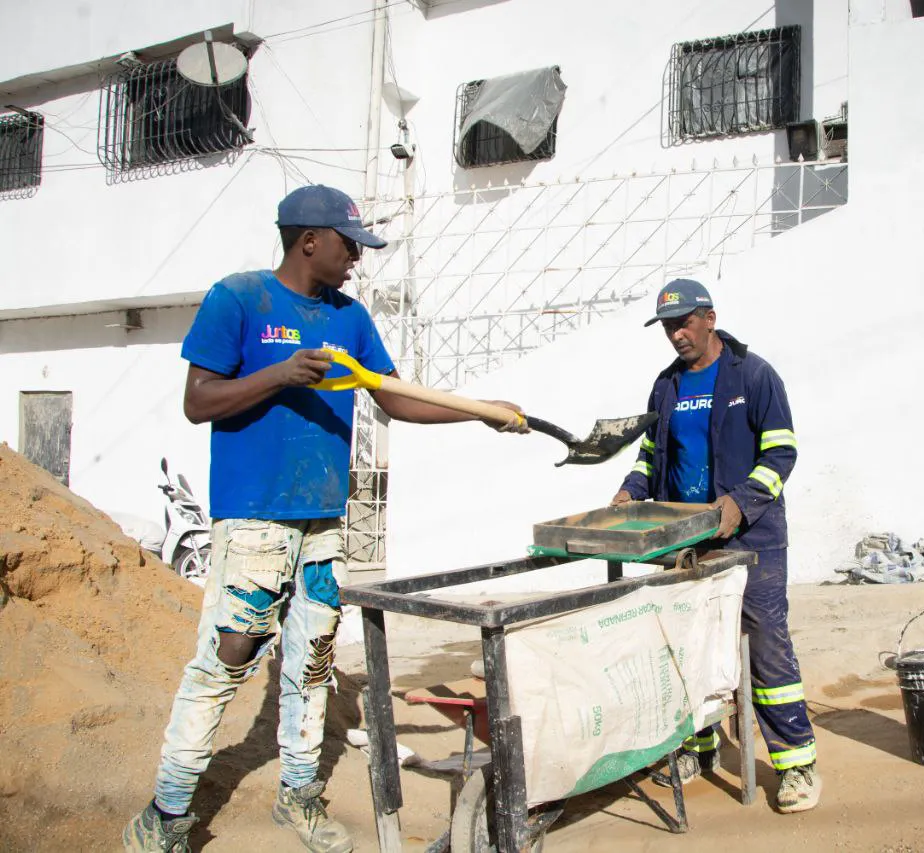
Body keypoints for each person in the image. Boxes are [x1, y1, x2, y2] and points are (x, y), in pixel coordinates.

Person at [125, 185, 527, 853]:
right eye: (350, 245)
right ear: (309, 240)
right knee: (229, 655)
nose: (357, 258)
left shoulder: (351, 318)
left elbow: (395, 399)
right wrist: (280, 375)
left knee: (313, 662)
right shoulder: (240, 298)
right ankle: (166, 813)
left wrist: (480, 410)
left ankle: (299, 796)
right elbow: (199, 401)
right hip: (254, 519)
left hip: (323, 520)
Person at [610, 278, 820, 814]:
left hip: (753, 538)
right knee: (686, 646)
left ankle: (796, 764)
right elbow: (650, 454)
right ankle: (697, 749)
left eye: (683, 323)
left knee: (764, 646)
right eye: (667, 327)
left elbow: (781, 454)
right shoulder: (666, 385)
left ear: (709, 318)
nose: (676, 335)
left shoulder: (754, 375)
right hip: (685, 540)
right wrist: (631, 490)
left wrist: (741, 503)